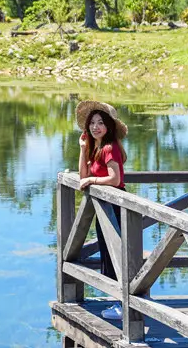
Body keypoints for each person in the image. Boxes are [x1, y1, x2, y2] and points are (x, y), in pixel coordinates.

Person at [75, 100, 128, 321]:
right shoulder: (96, 148)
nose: (95, 127)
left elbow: (115, 179)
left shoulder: (109, 148)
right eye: (92, 123)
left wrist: (93, 180)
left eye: (100, 123)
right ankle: (119, 302)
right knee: (108, 253)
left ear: (109, 126)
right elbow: (82, 176)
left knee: (117, 255)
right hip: (104, 207)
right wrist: (82, 149)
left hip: (115, 207)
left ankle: (123, 305)